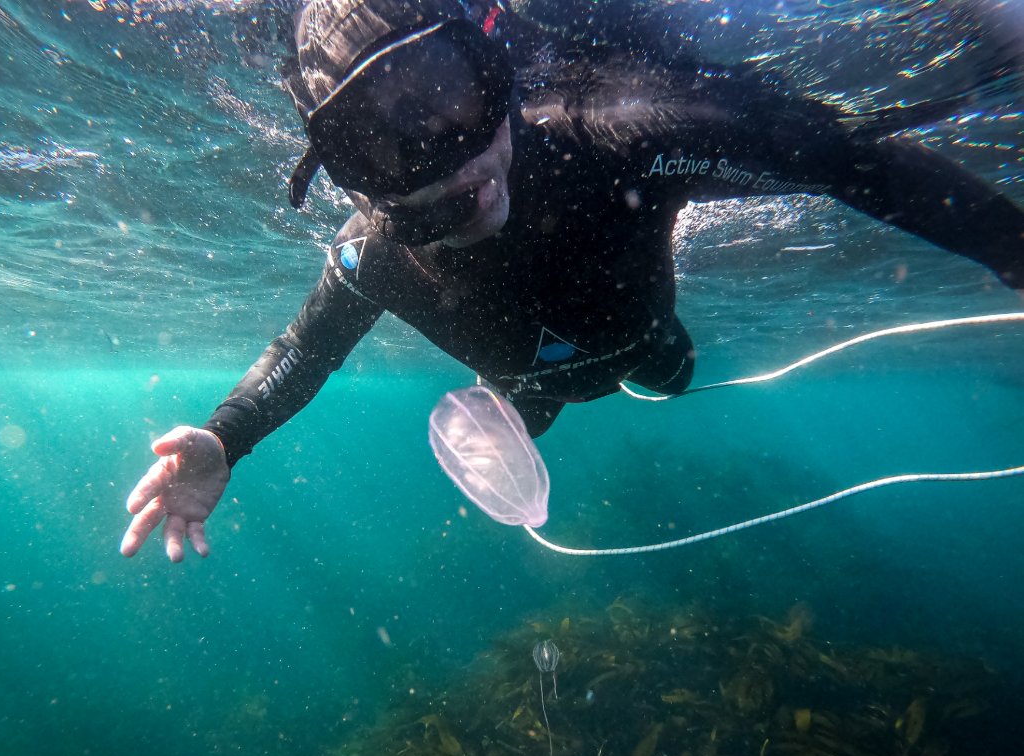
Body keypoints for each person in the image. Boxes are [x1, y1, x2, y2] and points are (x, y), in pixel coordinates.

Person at [120, 0, 1024, 562]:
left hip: (643, 342)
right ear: (346, 172)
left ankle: (637, 374)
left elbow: (843, 154)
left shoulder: (609, 137)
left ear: (493, 63)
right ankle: (522, 405)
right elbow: (301, 352)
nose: (454, 159)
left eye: (450, 90)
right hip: (524, 392)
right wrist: (224, 439)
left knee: (668, 374)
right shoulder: (376, 252)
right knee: (528, 405)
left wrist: (1008, 243)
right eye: (385, 140)